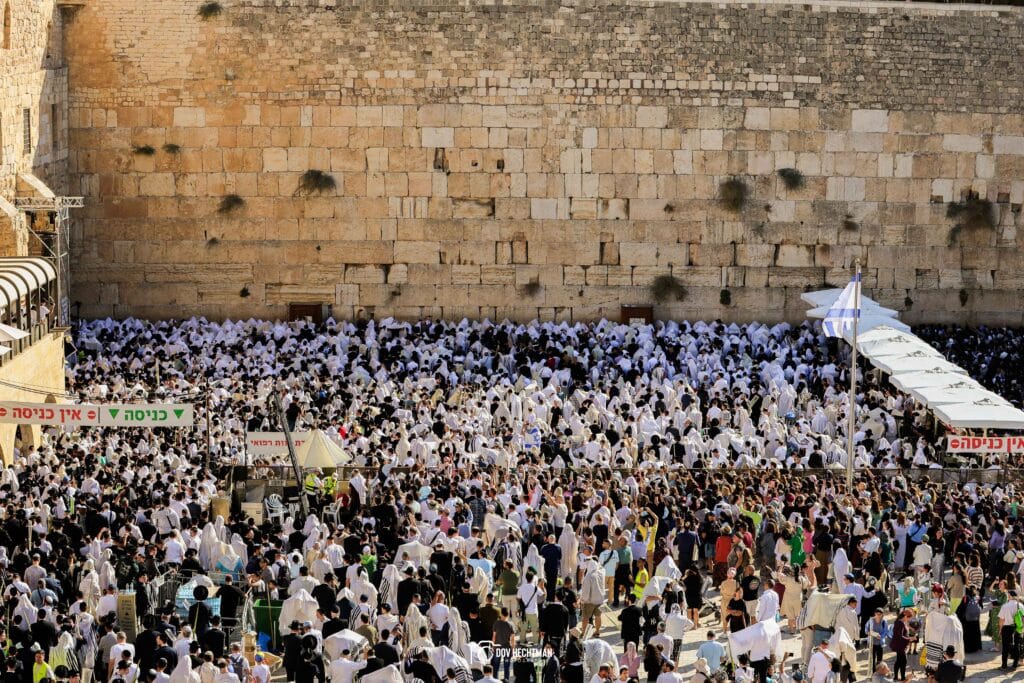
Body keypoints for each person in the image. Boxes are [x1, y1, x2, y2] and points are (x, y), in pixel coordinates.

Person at [998, 589, 1022, 670]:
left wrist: (1000, 629)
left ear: (1010, 596)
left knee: (1005, 646)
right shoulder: (1021, 605)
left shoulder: (1005, 606)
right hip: (1018, 627)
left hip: (1007, 628)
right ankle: (1015, 665)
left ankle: (1004, 665)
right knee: (1017, 645)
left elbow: (1001, 620)